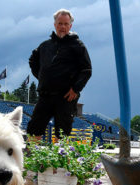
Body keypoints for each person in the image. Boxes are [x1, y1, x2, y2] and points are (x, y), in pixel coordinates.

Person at [27, 8, 92, 139]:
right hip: (45, 95)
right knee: (34, 129)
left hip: (66, 96)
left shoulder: (78, 46)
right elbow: (32, 60)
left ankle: (60, 158)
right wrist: (41, 77)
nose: (62, 27)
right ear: (54, 24)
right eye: (60, 23)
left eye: (66, 24)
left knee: (62, 133)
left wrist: (75, 88)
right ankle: (31, 158)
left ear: (70, 26)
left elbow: (86, 70)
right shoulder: (45, 46)